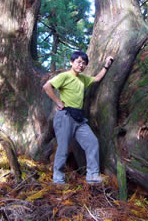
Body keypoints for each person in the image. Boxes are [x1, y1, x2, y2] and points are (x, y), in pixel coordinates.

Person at [43, 51, 114, 184]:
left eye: (84, 63)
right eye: (78, 62)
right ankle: (58, 179)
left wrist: (106, 66)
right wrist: (58, 102)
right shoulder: (65, 76)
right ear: (72, 62)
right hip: (65, 116)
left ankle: (92, 175)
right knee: (63, 148)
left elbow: (97, 78)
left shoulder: (83, 79)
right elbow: (47, 86)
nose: (81, 65)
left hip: (79, 118)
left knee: (92, 142)